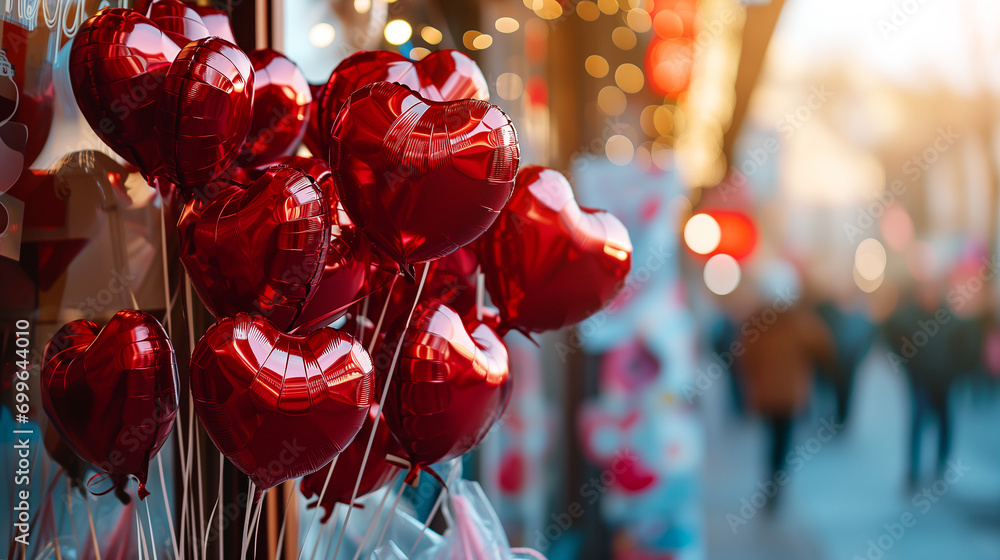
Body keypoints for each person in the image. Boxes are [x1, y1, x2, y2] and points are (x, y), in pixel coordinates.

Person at [737, 301, 835, 509]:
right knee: (784, 440)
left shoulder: (758, 322)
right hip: (791, 394)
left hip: (766, 393)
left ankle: (771, 481)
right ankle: (777, 483)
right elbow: (823, 345)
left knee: (771, 439)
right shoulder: (800, 321)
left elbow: (745, 356)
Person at [882, 287, 976, 489]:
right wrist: (905, 360)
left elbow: (967, 342)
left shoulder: (949, 319)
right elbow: (890, 331)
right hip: (920, 378)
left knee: (944, 421)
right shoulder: (908, 317)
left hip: (943, 379)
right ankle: (913, 470)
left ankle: (940, 465)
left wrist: (957, 368)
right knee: (917, 420)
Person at [815, 298, 877, 426]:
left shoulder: (861, 320)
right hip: (836, 363)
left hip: (849, 363)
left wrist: (859, 358)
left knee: (846, 392)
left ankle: (842, 419)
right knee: (835, 391)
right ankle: (837, 417)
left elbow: (866, 342)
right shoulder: (833, 317)